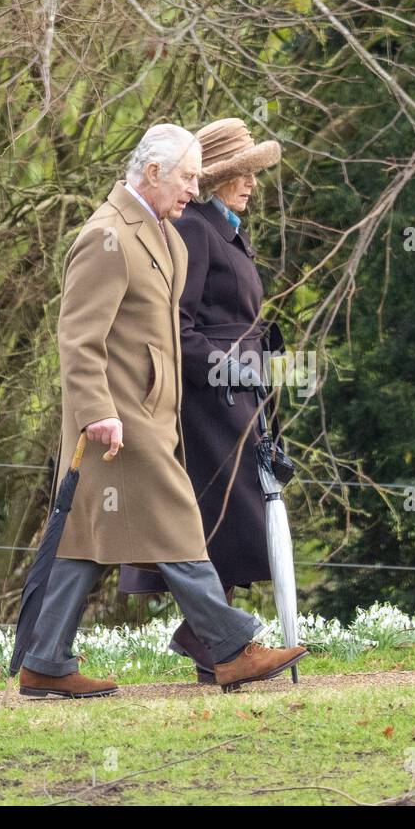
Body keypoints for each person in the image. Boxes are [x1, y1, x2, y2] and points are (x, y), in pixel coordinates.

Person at [15, 122, 307, 697]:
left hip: (148, 414)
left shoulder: (165, 234)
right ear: (152, 173)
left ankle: (44, 661)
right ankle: (230, 647)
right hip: (117, 420)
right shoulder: (105, 236)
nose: (194, 191)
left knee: (81, 540)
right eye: (187, 178)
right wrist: (99, 410)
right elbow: (77, 338)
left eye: (198, 178)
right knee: (178, 519)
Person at [119, 118, 284, 682]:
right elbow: (177, 327)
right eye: (241, 174)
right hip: (208, 403)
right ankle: (212, 643)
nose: (251, 184)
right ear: (213, 179)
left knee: (233, 520)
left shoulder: (226, 228)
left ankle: (213, 646)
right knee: (220, 519)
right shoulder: (196, 230)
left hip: (236, 396)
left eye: (253, 174)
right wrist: (230, 369)